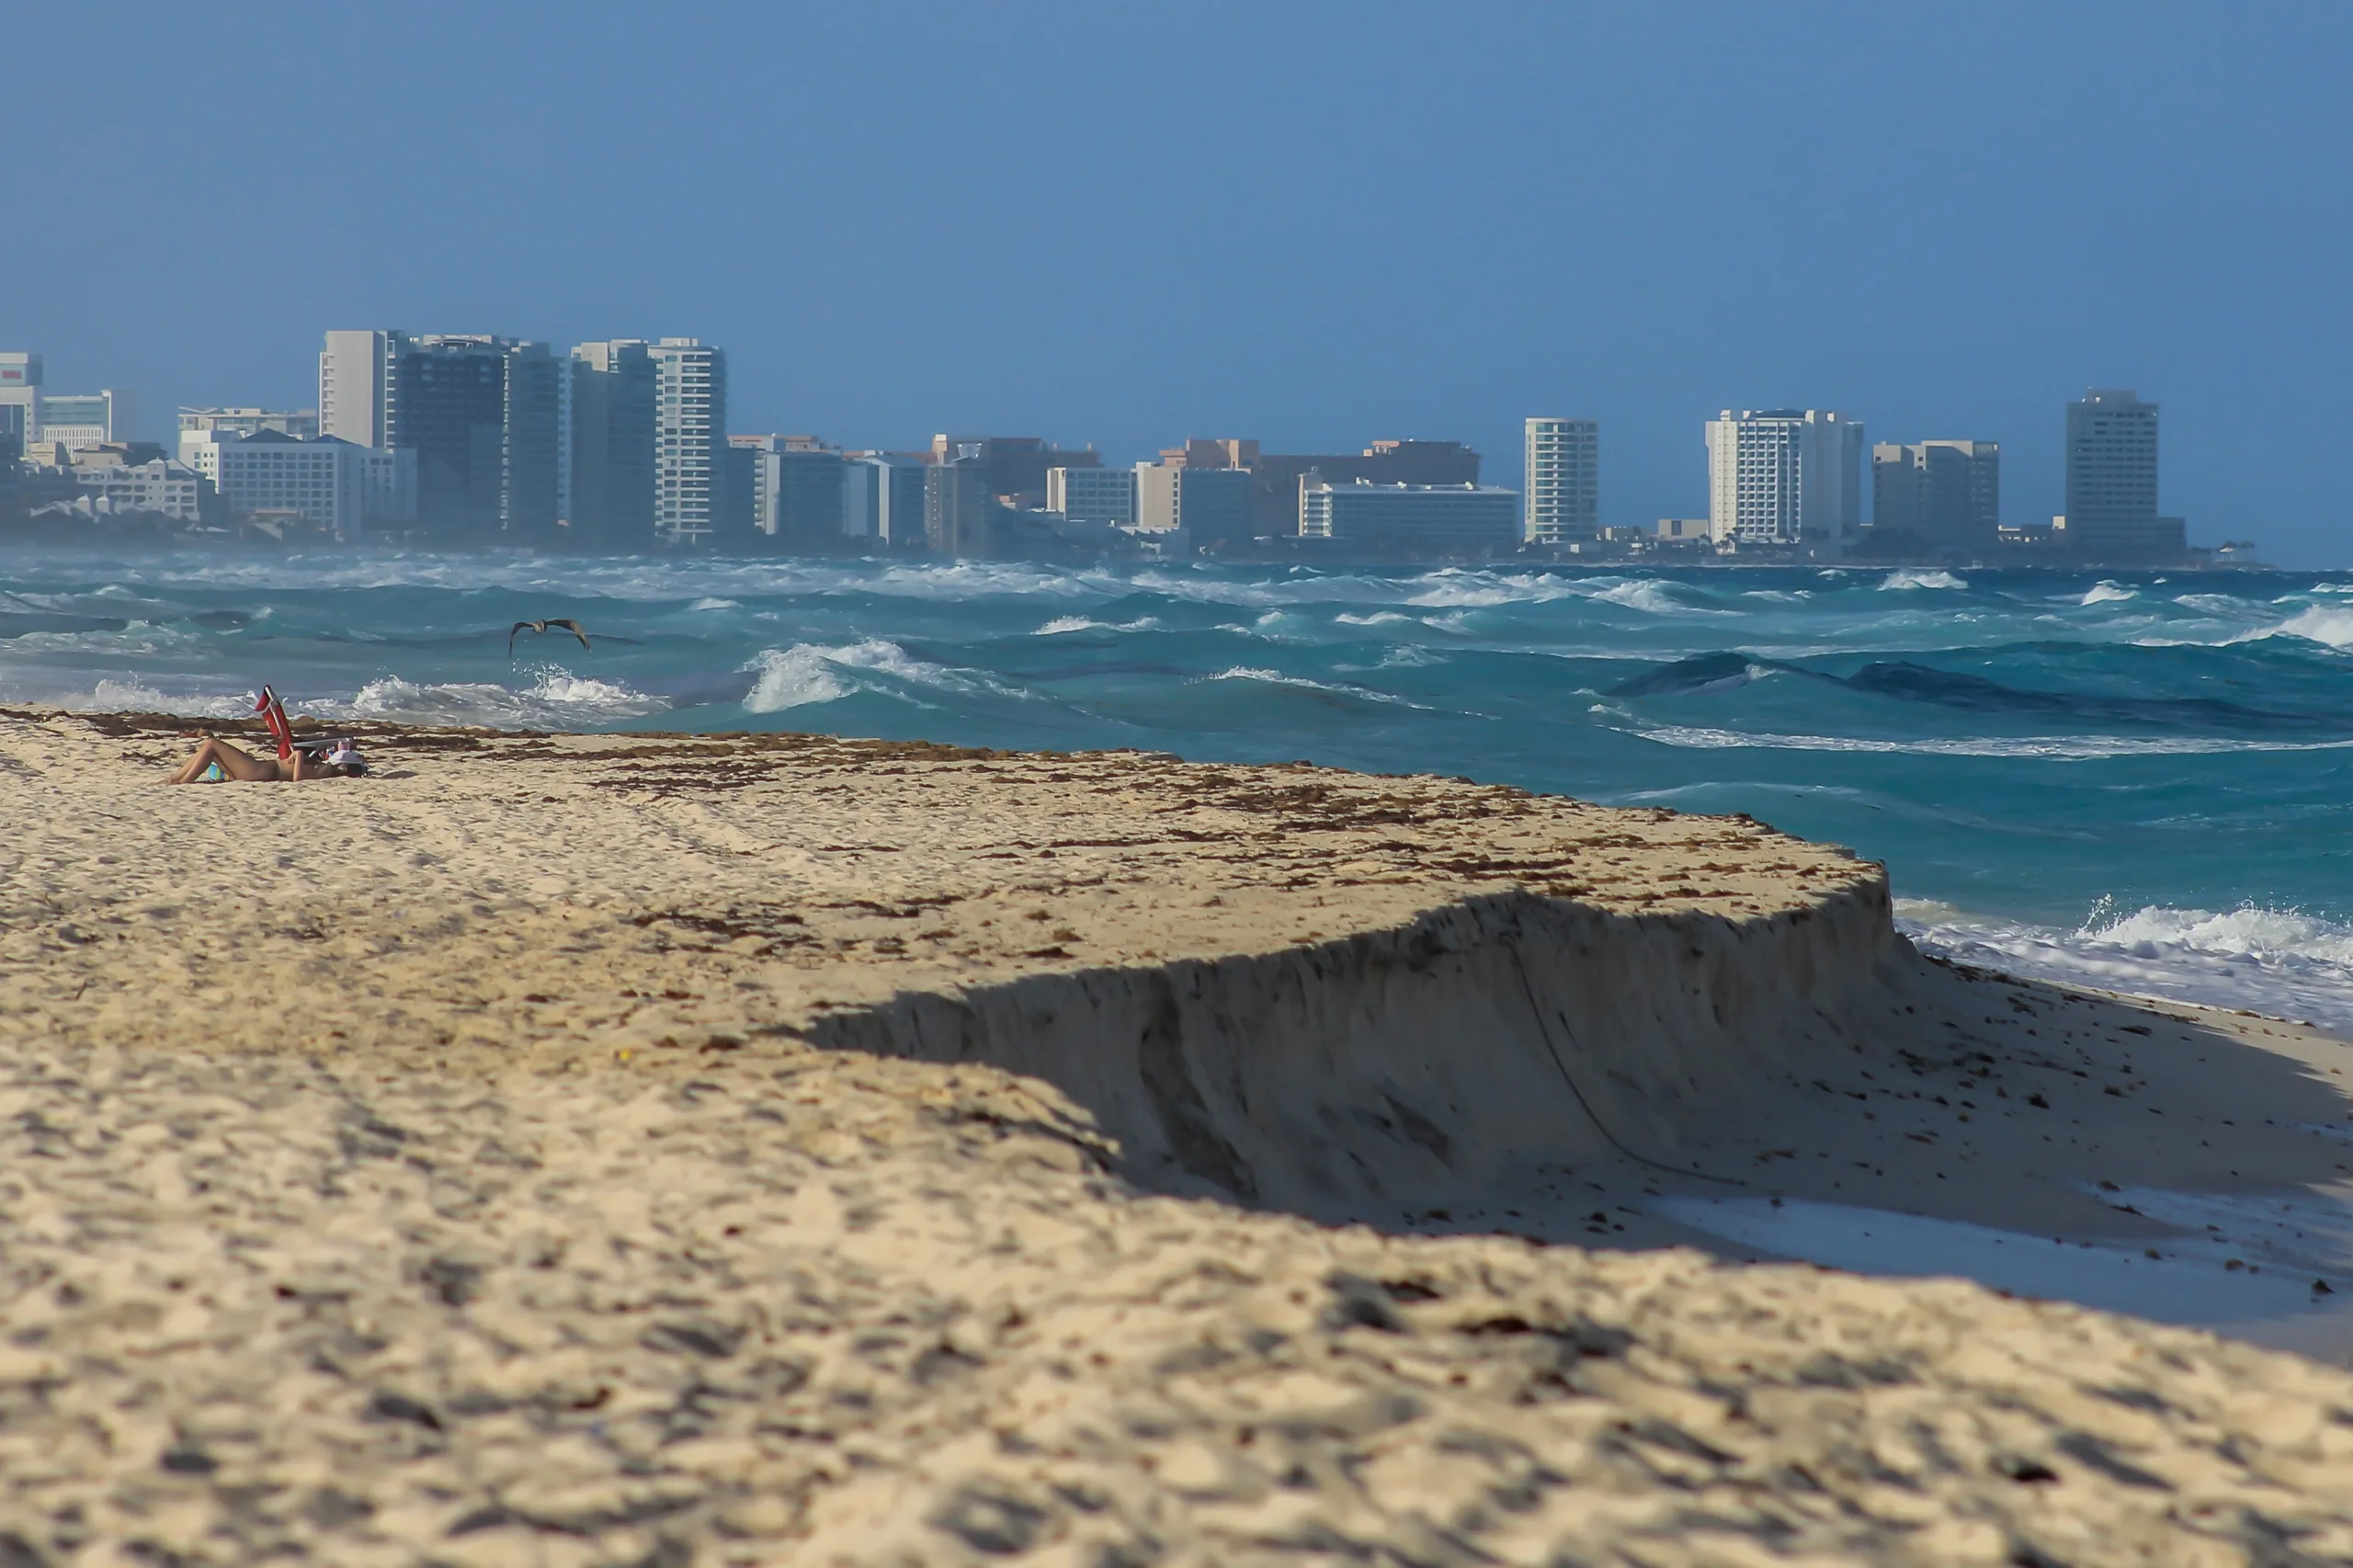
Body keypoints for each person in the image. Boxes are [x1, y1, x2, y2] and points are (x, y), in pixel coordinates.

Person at [166, 732, 365, 784]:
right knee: (210, 747)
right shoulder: (327, 767)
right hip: (262, 769)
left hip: (262, 771)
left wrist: (298, 756)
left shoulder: (328, 770)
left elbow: (298, 779)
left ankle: (183, 780)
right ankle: (176, 779)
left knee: (212, 744)